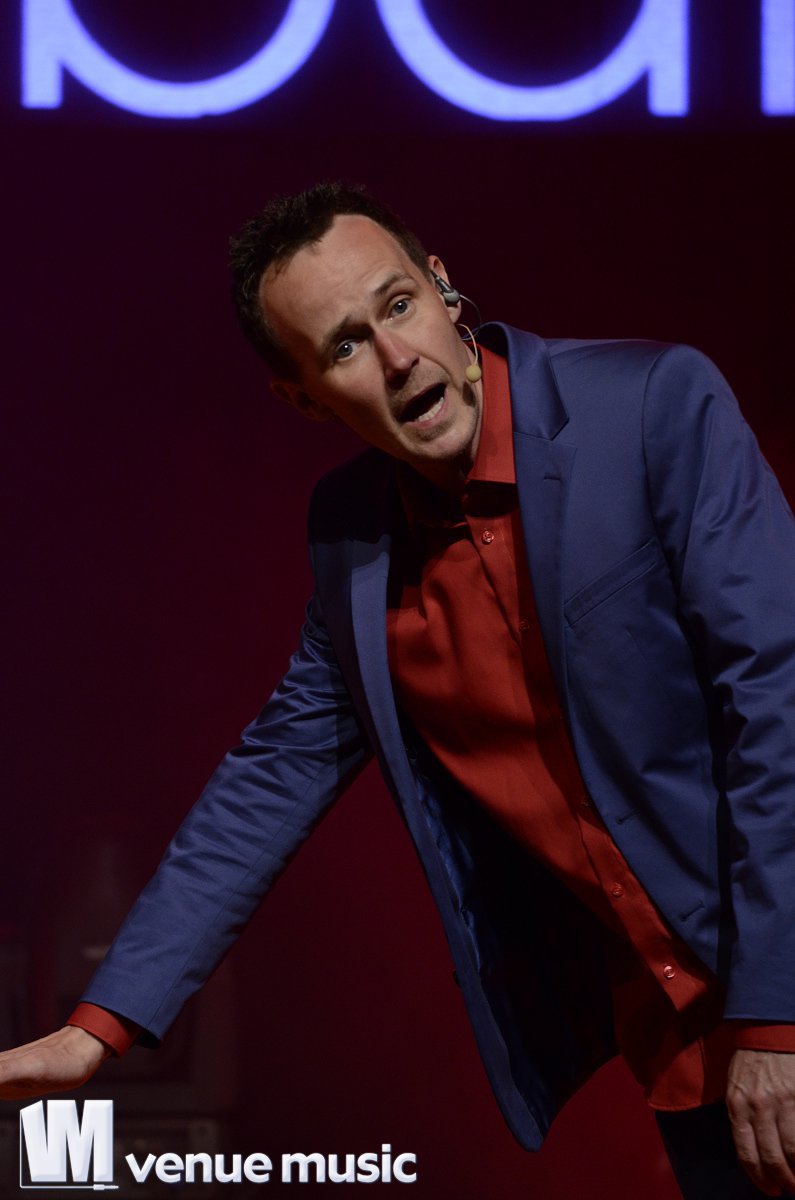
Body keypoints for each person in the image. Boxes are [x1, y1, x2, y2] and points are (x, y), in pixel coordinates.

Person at [2, 182, 795, 1200]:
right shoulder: (353, 537)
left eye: (398, 305)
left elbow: (777, 698)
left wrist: (777, 1012)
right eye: (343, 347)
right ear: (303, 399)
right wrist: (97, 1029)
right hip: (685, 1052)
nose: (396, 357)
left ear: (444, 287)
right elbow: (269, 780)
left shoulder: (649, 407)